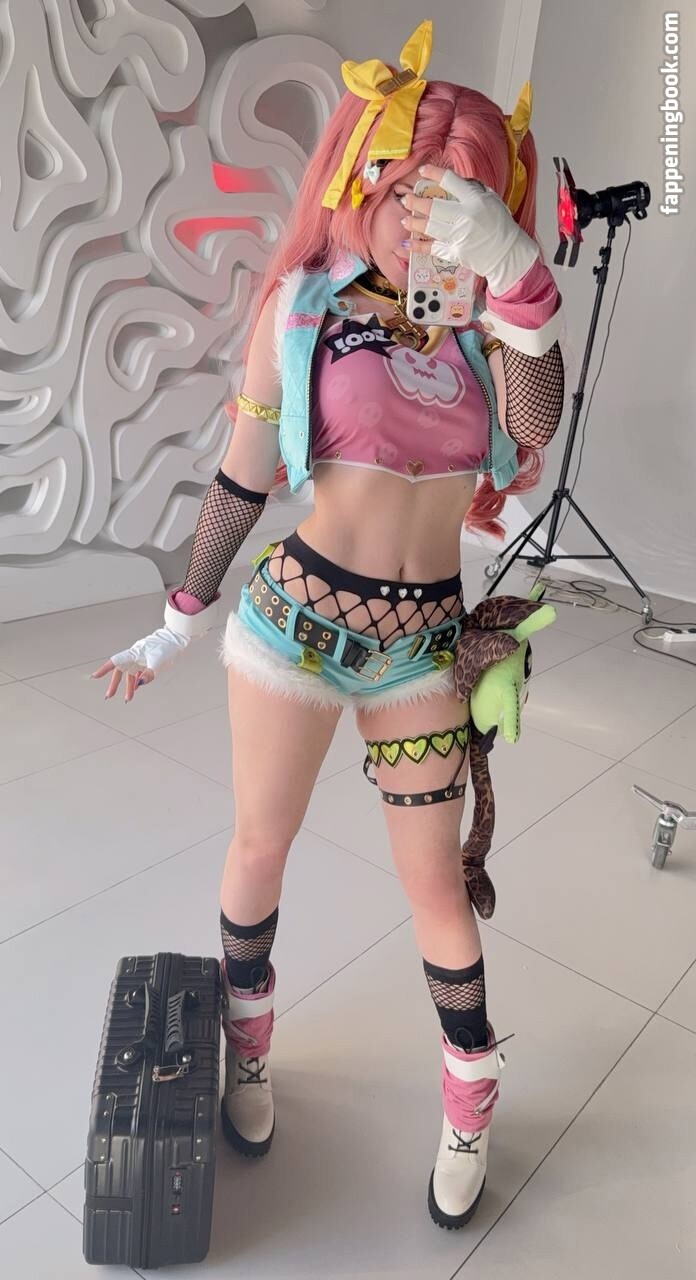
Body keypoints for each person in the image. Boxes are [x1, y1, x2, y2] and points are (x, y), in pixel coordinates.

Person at [92, 20, 564, 1230]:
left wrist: (519, 277)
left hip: (424, 646)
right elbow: (242, 476)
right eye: (409, 189)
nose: (424, 218)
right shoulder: (302, 308)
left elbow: (536, 425)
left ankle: (470, 1095)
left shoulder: (486, 327)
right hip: (295, 624)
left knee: (435, 883)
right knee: (263, 845)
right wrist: (180, 613)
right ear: (364, 179)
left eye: (456, 198)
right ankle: (249, 1047)